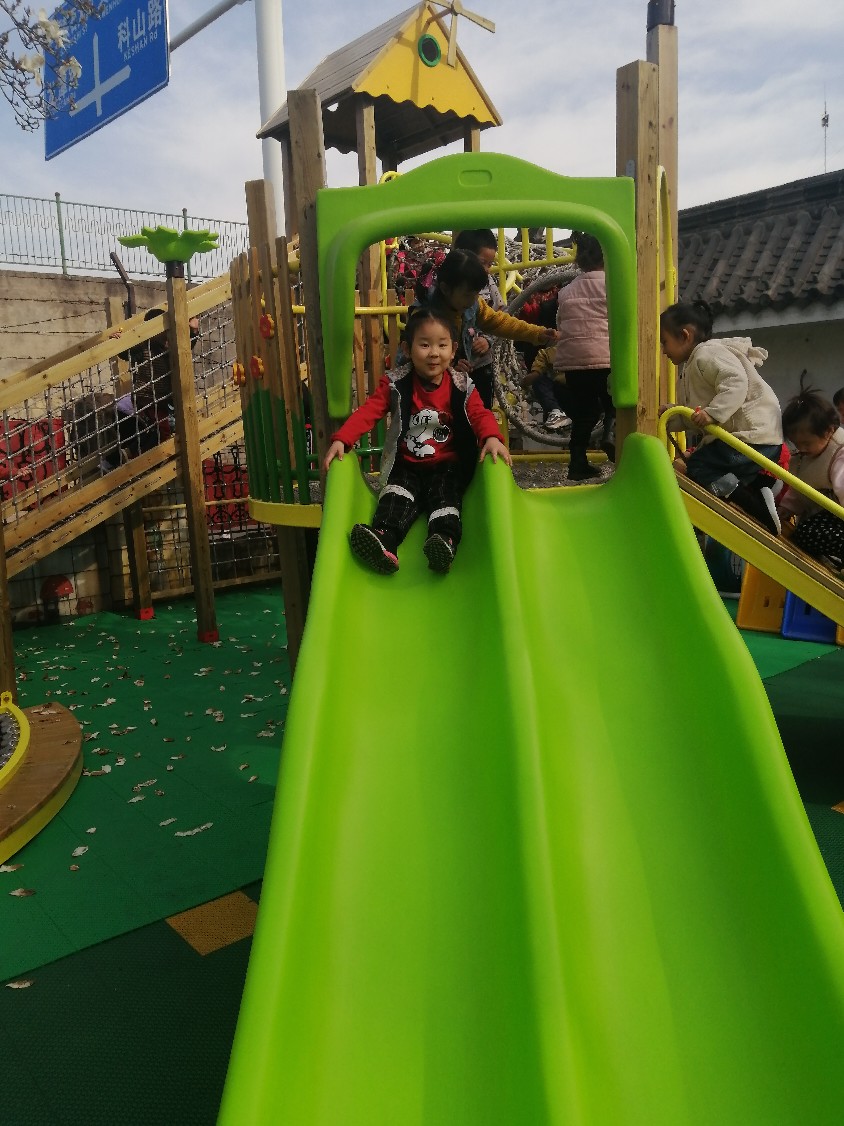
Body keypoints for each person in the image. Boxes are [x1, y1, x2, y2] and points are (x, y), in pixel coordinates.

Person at [324, 307, 511, 575]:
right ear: (407, 349)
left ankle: (443, 542)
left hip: (446, 465)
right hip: (407, 465)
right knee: (395, 497)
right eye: (424, 345)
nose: (434, 353)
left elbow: (480, 414)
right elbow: (369, 412)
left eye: (442, 345)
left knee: (446, 499)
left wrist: (492, 437)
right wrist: (343, 439)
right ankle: (385, 540)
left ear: (453, 350)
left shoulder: (461, 385)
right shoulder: (397, 383)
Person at [659, 300, 783, 535]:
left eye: (664, 342)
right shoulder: (693, 365)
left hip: (752, 436)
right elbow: (695, 414)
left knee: (699, 466)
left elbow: (736, 383)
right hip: (757, 438)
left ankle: (758, 508)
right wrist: (671, 415)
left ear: (684, 335)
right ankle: (759, 489)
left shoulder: (707, 354)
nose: (663, 350)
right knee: (705, 468)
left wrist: (713, 413)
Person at [425, 248, 558, 410]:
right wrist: (448, 367)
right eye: (468, 294)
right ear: (445, 289)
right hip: (430, 392)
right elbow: (421, 357)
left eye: (476, 294)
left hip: (461, 375)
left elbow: (499, 322)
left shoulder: (472, 304)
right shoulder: (427, 316)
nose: (473, 300)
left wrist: (538, 333)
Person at [553, 232, 615, 479]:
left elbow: (560, 323)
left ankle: (577, 464)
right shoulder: (613, 285)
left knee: (585, 414)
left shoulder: (566, 291)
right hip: (605, 358)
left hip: (574, 362)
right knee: (613, 405)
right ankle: (611, 436)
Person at [780, 382, 844, 567]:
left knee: (807, 533)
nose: (801, 448)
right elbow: (799, 490)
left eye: (807, 443)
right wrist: (786, 508)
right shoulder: (803, 458)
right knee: (802, 534)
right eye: (796, 443)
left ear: (829, 431)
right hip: (826, 517)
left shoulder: (838, 454)